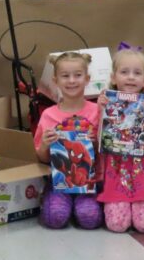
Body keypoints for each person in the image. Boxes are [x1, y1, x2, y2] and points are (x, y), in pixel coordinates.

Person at [96, 49, 144, 233]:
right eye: (124, 72)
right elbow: (100, 144)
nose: (131, 77)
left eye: (137, 73)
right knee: (117, 225)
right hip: (116, 176)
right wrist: (103, 113)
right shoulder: (106, 103)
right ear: (114, 77)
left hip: (143, 176)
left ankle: (138, 204)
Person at [34, 52, 103, 230]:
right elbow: (41, 158)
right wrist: (45, 145)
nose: (72, 80)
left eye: (78, 75)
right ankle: (53, 199)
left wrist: (95, 142)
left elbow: (107, 151)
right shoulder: (48, 115)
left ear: (87, 79)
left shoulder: (98, 111)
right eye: (65, 76)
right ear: (55, 81)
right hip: (59, 182)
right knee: (55, 218)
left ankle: (83, 205)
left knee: (90, 219)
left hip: (90, 182)